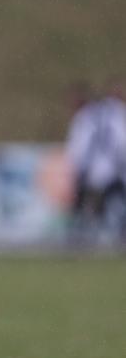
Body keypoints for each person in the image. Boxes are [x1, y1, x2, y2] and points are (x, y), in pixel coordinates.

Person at [66, 81, 126, 246]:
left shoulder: (88, 115)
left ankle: (81, 236)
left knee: (86, 204)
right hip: (113, 169)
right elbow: (121, 142)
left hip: (93, 169)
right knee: (112, 202)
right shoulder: (115, 113)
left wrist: (78, 167)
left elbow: (79, 146)